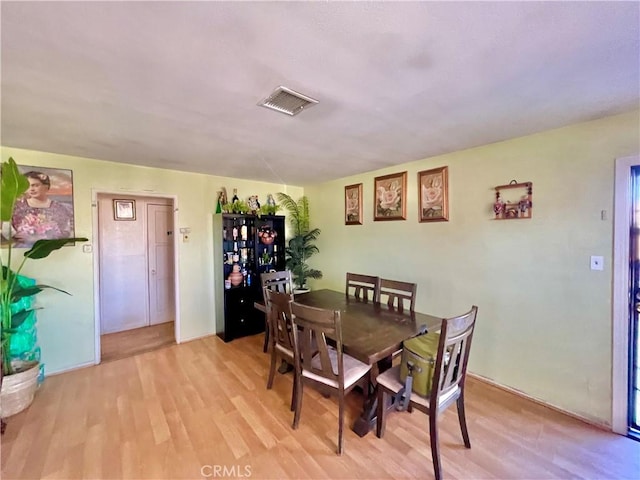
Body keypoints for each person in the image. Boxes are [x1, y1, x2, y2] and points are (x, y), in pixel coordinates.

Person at [11, 171, 74, 247]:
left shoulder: (60, 208)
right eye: (28, 186)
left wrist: (38, 237)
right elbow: (9, 231)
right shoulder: (17, 206)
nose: (31, 189)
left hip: (50, 249)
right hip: (21, 250)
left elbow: (65, 232)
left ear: (46, 187)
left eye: (35, 185)